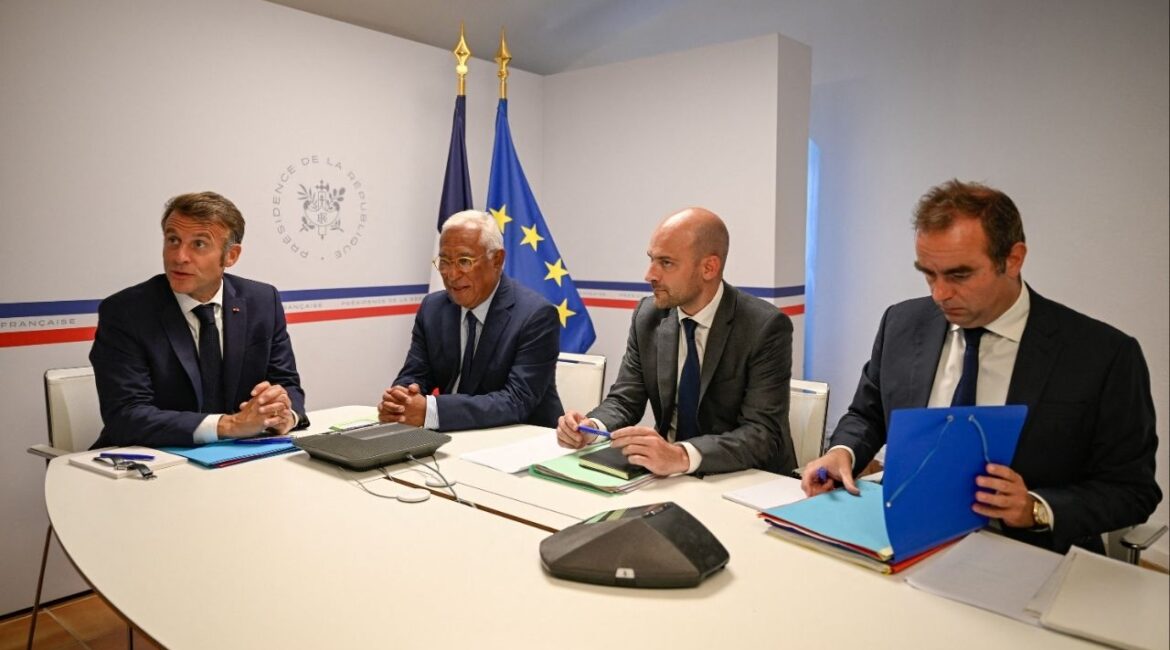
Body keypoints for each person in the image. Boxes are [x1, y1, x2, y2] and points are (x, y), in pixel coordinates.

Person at [801, 179, 1161, 553]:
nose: (940, 293)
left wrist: (1036, 509)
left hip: (1033, 555)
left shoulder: (1102, 355)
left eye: (959, 275)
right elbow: (867, 414)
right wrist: (842, 452)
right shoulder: (902, 323)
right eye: (928, 273)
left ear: (1013, 259)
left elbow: (1133, 490)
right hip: (903, 541)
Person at [556, 207, 796, 476]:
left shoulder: (763, 327)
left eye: (666, 263)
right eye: (651, 259)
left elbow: (761, 434)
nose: (650, 275)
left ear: (709, 267)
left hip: (745, 477)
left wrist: (681, 455)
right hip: (668, 476)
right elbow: (625, 400)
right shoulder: (648, 317)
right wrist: (593, 428)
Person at [90, 191, 307, 448]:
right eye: (173, 240)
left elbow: (287, 383)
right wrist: (231, 425)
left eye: (199, 244)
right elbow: (126, 415)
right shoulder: (126, 311)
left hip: (240, 458)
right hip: (155, 460)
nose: (179, 256)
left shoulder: (263, 301)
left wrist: (285, 415)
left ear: (231, 256)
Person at [379, 210, 563, 430]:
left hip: (519, 440)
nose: (452, 274)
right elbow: (416, 373)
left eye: (464, 261)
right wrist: (400, 401)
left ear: (497, 260)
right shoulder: (433, 308)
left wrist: (431, 411)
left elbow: (516, 401)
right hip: (451, 437)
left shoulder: (536, 315)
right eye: (445, 262)